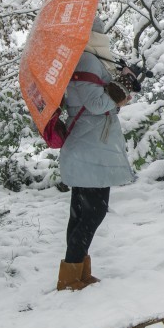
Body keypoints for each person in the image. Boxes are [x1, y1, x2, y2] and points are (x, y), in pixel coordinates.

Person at [56, 16, 136, 291]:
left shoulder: (84, 58)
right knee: (93, 212)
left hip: (85, 146)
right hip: (90, 149)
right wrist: (123, 86)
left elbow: (101, 102)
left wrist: (121, 85)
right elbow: (96, 103)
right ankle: (72, 275)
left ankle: (75, 273)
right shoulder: (87, 59)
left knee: (81, 213)